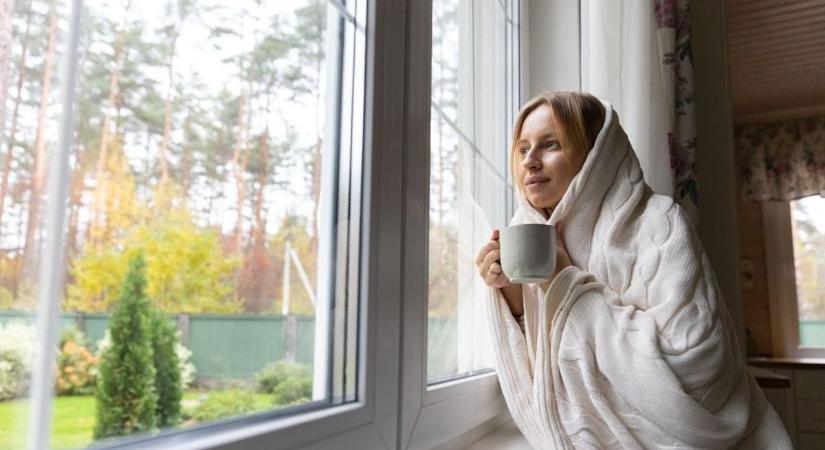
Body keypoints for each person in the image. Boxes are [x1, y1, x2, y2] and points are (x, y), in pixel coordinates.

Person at [476, 91, 791, 449]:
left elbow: (701, 370)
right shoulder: (528, 233)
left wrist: (568, 286)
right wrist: (516, 303)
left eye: (550, 145)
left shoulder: (659, 223)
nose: (529, 162)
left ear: (596, 155)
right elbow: (546, 383)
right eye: (522, 149)